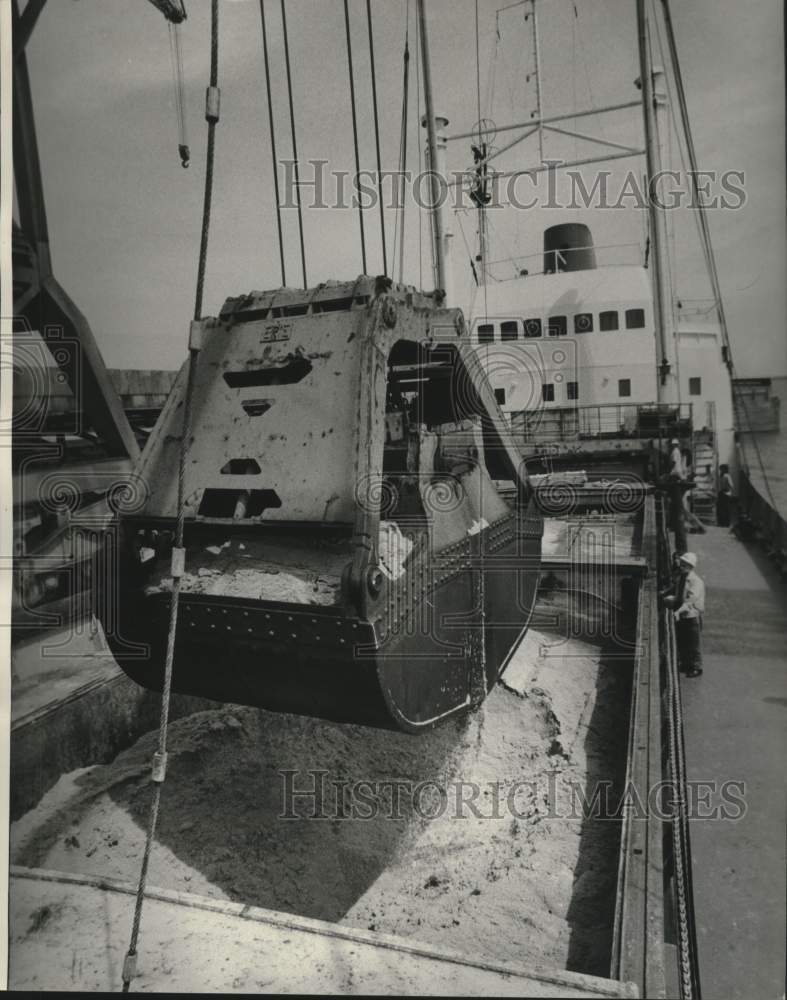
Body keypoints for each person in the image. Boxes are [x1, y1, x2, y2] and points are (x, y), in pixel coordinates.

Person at [663, 552, 705, 677]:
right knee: (683, 640)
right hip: (682, 613)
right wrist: (664, 593)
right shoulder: (681, 577)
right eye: (681, 564)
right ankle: (686, 664)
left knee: (693, 643)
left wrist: (677, 612)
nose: (681, 567)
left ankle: (696, 667)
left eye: (684, 565)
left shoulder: (696, 582)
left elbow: (689, 602)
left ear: (691, 567)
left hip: (692, 616)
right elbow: (675, 588)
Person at [716, 463, 735, 527]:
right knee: (720, 509)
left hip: (726, 494)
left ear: (725, 469)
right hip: (721, 493)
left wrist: (728, 491)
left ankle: (727, 523)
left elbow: (732, 486)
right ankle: (721, 523)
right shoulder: (721, 476)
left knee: (726, 509)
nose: (721, 470)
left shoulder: (727, 476)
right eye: (720, 469)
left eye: (722, 469)